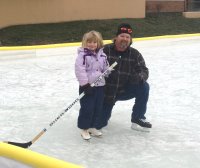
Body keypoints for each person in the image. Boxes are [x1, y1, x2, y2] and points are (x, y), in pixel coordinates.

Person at [100, 23, 152, 131]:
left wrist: (139, 76)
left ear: (130, 40)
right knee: (100, 123)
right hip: (107, 92)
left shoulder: (135, 54)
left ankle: (138, 118)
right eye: (122, 36)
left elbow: (143, 70)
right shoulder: (105, 50)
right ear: (116, 37)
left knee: (144, 87)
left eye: (127, 37)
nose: (125, 39)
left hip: (124, 89)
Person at [75, 30, 109, 140]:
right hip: (88, 87)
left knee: (98, 107)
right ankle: (84, 128)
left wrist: (108, 70)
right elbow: (80, 70)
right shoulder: (83, 55)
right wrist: (85, 85)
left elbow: (105, 68)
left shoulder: (102, 55)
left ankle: (92, 127)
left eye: (94, 42)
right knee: (87, 108)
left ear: (98, 43)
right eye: (89, 42)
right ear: (85, 42)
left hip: (100, 85)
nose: (92, 44)